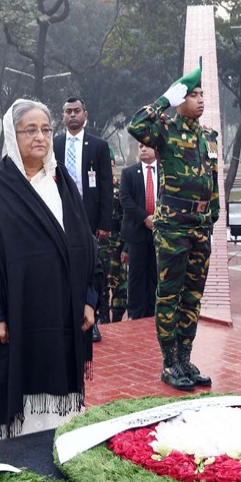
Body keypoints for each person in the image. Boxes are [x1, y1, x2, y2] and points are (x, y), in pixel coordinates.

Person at [0, 99, 101, 440]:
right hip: (14, 322)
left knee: (58, 417)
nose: (40, 137)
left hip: (62, 319)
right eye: (30, 130)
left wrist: (90, 300)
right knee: (17, 414)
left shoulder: (62, 182)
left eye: (45, 129)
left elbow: (88, 248)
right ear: (13, 134)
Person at [127, 58, 219, 391]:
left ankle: (185, 358)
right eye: (193, 94)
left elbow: (213, 180)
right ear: (181, 100)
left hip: (199, 226)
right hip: (172, 228)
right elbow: (136, 126)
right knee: (170, 295)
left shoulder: (209, 136)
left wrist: (214, 213)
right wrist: (165, 99)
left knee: (193, 297)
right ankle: (169, 362)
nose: (200, 99)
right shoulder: (164, 129)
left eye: (202, 93)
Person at [53, 97, 114, 344]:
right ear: (62, 116)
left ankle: (94, 319)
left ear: (85, 114)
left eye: (77, 111)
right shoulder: (54, 145)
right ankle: (66, 318)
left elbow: (106, 186)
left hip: (89, 218)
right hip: (60, 217)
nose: (73, 115)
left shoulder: (98, 146)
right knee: (62, 268)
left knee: (91, 269)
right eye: (68, 111)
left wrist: (105, 222)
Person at [120, 142, 159, 320]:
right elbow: (126, 200)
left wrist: (157, 218)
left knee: (154, 273)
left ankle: (152, 313)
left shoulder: (165, 172)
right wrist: (145, 217)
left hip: (160, 231)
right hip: (137, 231)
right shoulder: (129, 173)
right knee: (136, 276)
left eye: (147, 146)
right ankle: (135, 314)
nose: (143, 149)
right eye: (140, 146)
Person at [98, 150, 127, 324]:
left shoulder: (122, 188)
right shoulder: (95, 189)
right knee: (100, 287)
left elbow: (127, 218)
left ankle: (117, 322)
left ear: (114, 166)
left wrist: (126, 246)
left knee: (120, 288)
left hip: (117, 246)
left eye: (109, 164)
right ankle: (103, 322)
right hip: (99, 246)